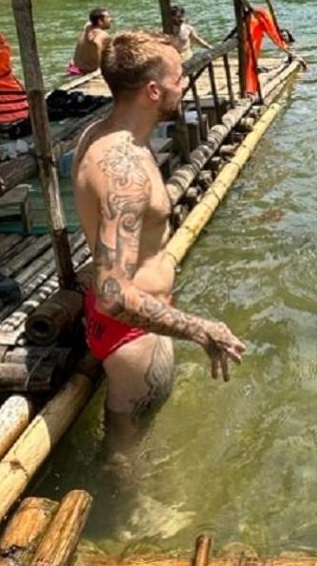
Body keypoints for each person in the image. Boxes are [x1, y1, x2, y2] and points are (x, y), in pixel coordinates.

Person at [72, 31, 246, 454]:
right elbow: (115, 294)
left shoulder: (101, 133)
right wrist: (200, 329)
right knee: (128, 455)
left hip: (117, 323)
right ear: (152, 90)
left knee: (130, 443)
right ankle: (132, 520)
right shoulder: (125, 169)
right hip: (133, 335)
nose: (184, 84)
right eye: (177, 77)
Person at [70, 7, 112, 75]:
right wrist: (99, 68)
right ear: (100, 21)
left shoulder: (87, 27)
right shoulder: (103, 35)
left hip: (74, 68)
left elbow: (88, 23)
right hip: (86, 71)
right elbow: (96, 43)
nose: (111, 19)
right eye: (108, 17)